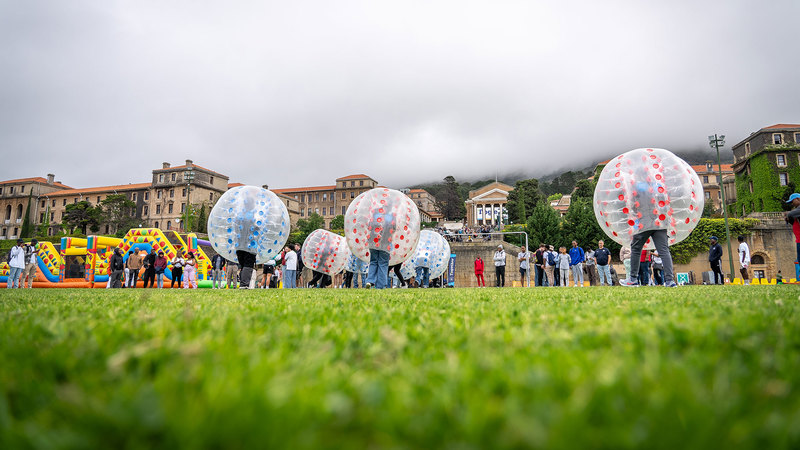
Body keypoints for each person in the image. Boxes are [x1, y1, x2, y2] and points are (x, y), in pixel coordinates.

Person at [785, 193, 800, 266]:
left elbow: (790, 215)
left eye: (792, 201)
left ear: (798, 199)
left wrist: (788, 217)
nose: (792, 204)